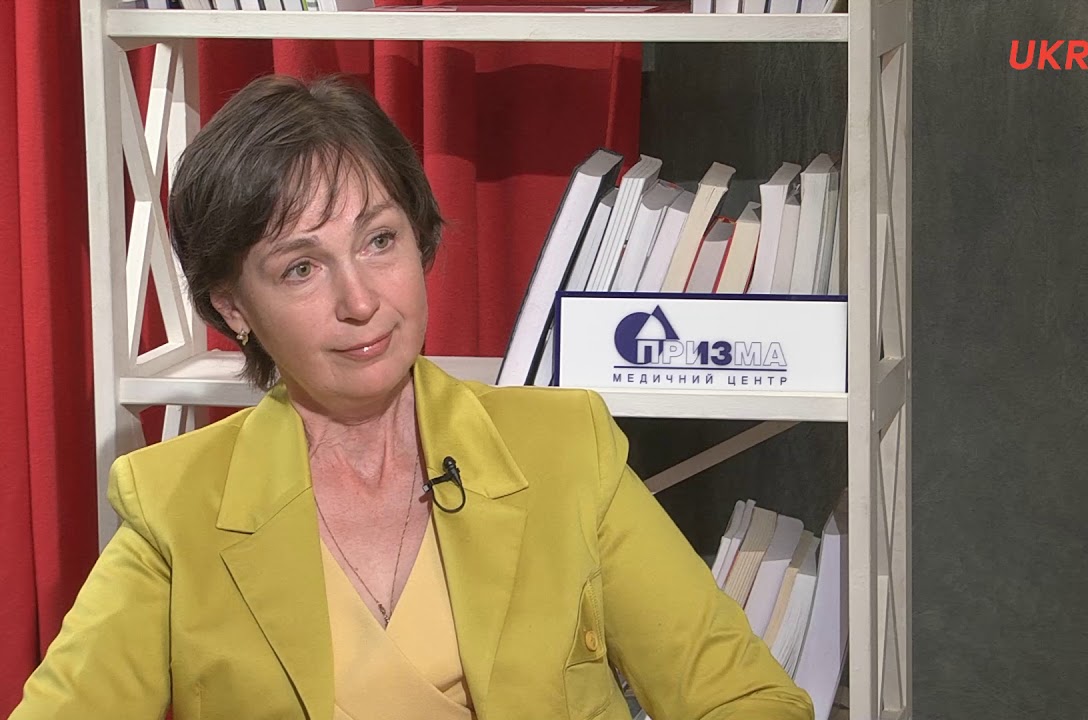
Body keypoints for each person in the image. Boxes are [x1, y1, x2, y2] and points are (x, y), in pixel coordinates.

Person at [9, 74, 814, 720]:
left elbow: (745, 699)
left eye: (379, 240)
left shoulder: (567, 448)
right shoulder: (175, 504)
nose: (361, 301)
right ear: (233, 307)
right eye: (301, 267)